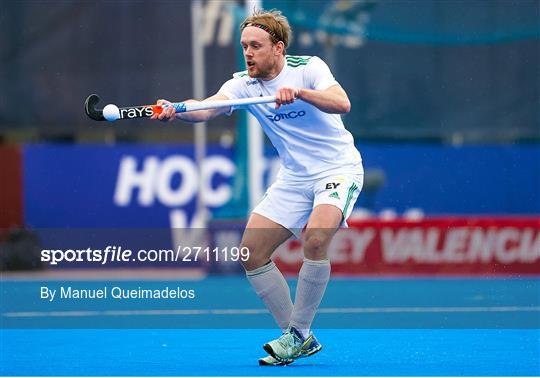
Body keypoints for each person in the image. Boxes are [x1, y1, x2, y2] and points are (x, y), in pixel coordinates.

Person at [153, 9, 363, 366]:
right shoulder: (241, 85)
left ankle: (296, 334)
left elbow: (342, 102)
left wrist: (300, 94)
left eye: (255, 46)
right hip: (294, 177)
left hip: (338, 169)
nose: (247, 53)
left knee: (315, 237)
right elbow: (206, 109)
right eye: (244, 46)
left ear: (278, 48)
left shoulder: (309, 67)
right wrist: (175, 108)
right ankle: (299, 337)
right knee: (250, 251)